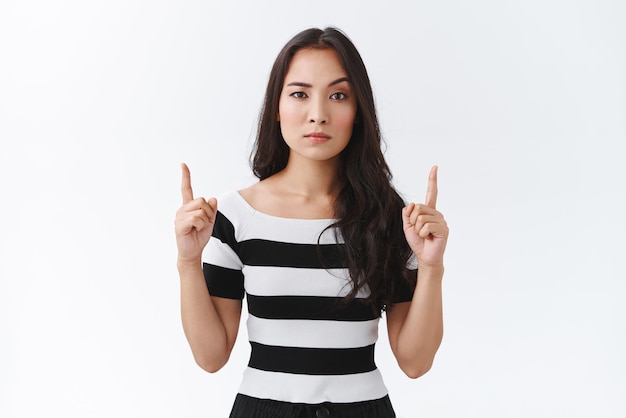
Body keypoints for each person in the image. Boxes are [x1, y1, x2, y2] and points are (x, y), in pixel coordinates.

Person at [175, 27, 448, 418]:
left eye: (338, 95)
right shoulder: (234, 218)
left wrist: (431, 267)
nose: (318, 113)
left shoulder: (391, 219)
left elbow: (415, 362)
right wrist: (188, 263)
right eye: (300, 93)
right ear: (277, 107)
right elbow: (211, 356)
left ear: (358, 112)